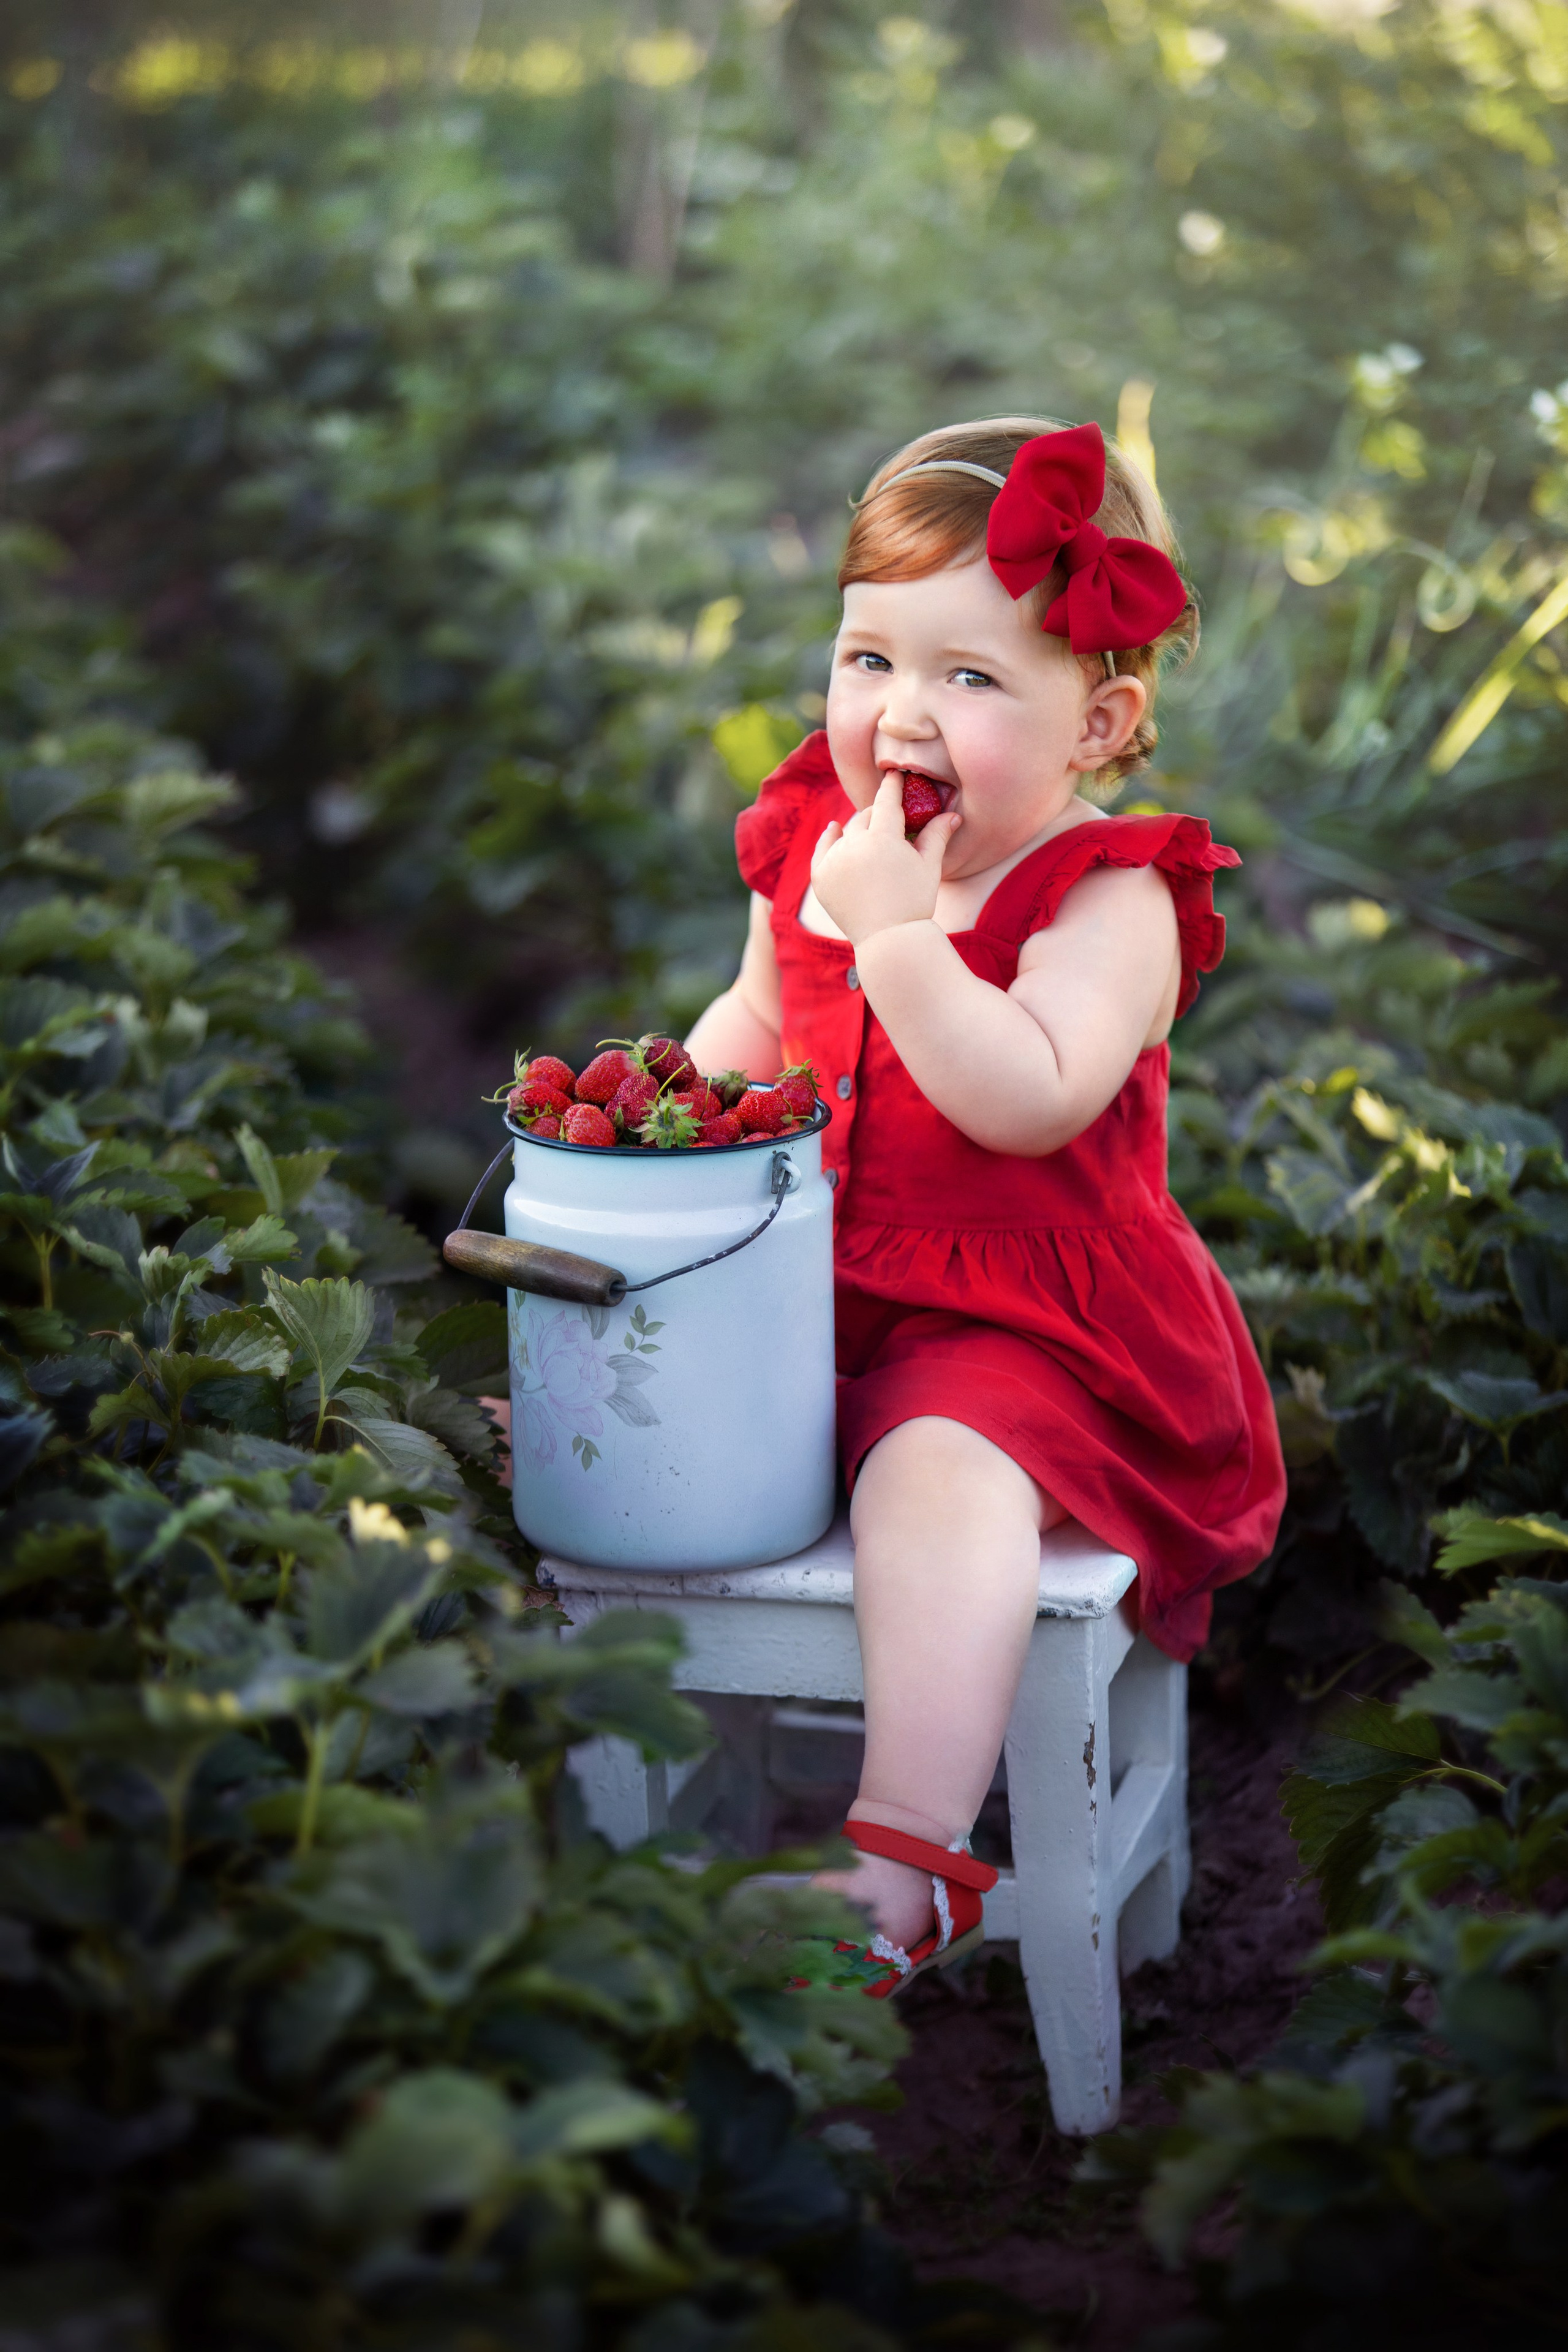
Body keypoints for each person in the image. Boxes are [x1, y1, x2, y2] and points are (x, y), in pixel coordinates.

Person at [684, 417, 1286, 1996]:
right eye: (871, 656)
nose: (901, 715)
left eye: (970, 679)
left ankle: (910, 1866)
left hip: (1035, 1332)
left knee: (936, 1471)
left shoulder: (1112, 897)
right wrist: (659, 1123)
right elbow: (758, 1028)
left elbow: (1027, 1093)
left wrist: (902, 944)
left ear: (1100, 719)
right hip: (825, 1292)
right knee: (640, 1414)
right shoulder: (823, 844)